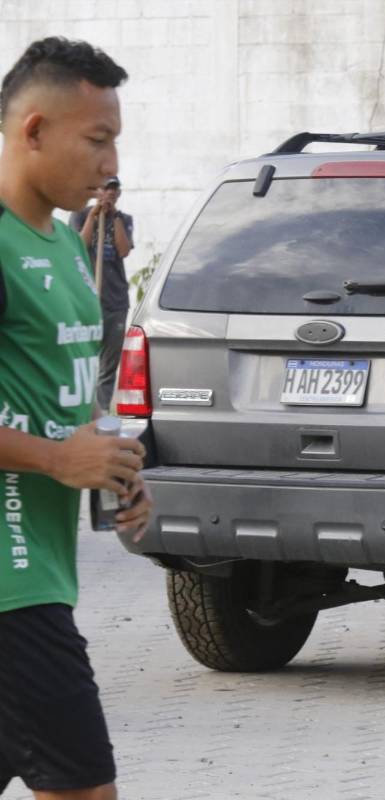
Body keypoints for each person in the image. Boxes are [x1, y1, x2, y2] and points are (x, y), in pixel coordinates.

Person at [0, 37, 153, 800]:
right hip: (12, 590)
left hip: (42, 576)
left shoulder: (64, 244)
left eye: (115, 139)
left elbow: (56, 401)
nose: (109, 161)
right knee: (85, 790)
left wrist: (110, 465)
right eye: (96, 139)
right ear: (32, 130)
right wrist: (60, 463)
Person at [69, 175, 133, 413]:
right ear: (97, 191)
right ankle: (82, 409)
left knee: (108, 363)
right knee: (83, 357)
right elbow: (79, 245)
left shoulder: (124, 219)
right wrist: (95, 214)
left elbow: (124, 250)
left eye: (114, 189)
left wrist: (113, 215)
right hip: (86, 300)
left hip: (115, 301)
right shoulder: (80, 215)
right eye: (107, 189)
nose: (110, 193)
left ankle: (103, 410)